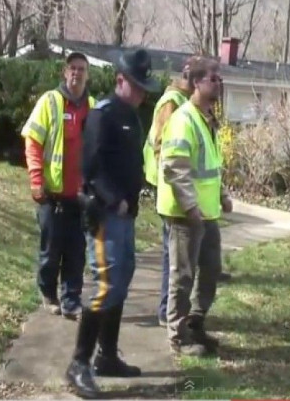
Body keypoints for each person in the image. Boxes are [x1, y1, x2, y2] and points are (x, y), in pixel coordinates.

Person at [65, 49, 161, 398]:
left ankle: (107, 356)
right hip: (106, 216)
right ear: (120, 81)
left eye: (144, 87)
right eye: (137, 86)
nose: (142, 93)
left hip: (126, 217)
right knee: (106, 284)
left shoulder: (132, 116)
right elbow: (90, 168)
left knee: (120, 282)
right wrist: (113, 199)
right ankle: (78, 364)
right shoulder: (102, 115)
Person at [157, 57, 232, 357]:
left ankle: (196, 324)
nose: (219, 83)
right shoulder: (183, 119)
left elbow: (211, 166)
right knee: (182, 276)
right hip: (184, 215)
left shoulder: (207, 119)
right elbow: (174, 167)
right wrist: (191, 209)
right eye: (213, 79)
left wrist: (223, 194)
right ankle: (178, 335)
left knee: (211, 271)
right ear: (197, 83)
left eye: (219, 79)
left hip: (207, 213)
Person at [20, 52, 96, 318]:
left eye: (82, 69)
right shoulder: (50, 102)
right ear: (65, 73)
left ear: (88, 74)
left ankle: (71, 300)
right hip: (51, 196)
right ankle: (48, 293)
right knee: (50, 252)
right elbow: (32, 141)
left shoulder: (93, 107)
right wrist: (36, 180)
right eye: (72, 68)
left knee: (76, 252)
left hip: (80, 197)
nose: (77, 73)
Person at [142, 57, 196, 326]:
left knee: (173, 254)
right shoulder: (172, 102)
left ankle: (169, 310)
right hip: (170, 189)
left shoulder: (183, 101)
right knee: (172, 255)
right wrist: (175, 184)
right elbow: (162, 146)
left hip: (173, 188)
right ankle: (167, 311)